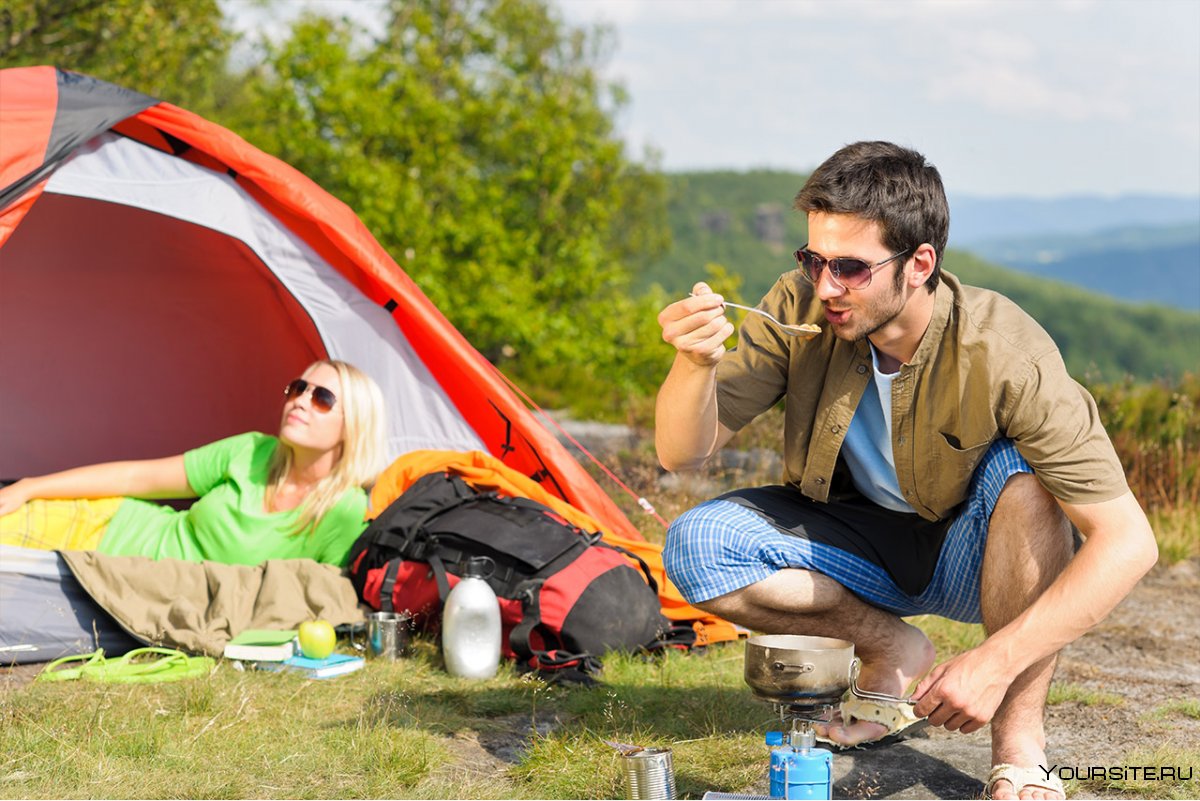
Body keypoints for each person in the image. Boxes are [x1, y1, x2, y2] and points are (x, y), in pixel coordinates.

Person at [654, 141, 1158, 801]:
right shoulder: (798, 309)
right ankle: (892, 647)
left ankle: (1019, 751)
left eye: (851, 268)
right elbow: (681, 453)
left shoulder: (1005, 350)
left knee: (1027, 479)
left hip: (970, 549)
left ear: (919, 263)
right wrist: (693, 366)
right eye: (813, 259)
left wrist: (993, 662)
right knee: (696, 546)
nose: (825, 286)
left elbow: (1129, 541)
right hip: (852, 538)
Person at [0, 359, 387, 567]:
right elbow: (138, 477)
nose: (300, 400)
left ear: (352, 426)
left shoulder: (344, 510)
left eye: (322, 398)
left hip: (128, 582)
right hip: (107, 527)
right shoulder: (251, 450)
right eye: (298, 388)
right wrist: (29, 486)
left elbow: (319, 598)